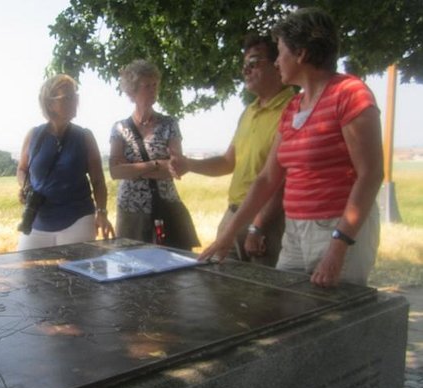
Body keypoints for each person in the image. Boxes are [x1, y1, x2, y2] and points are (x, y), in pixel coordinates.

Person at [200, 8, 383, 287]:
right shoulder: (294, 107)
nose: (276, 63)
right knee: (285, 307)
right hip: (295, 230)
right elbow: (267, 178)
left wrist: (338, 245)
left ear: (302, 54)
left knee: (333, 319)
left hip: (336, 229)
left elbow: (370, 174)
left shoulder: (349, 93)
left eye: (281, 52)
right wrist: (227, 236)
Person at [171, 35, 295, 266]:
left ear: (277, 64)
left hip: (269, 221)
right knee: (220, 288)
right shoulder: (248, 112)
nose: (246, 71)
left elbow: (283, 179)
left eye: (254, 62)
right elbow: (228, 162)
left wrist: (258, 226)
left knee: (264, 298)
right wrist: (189, 164)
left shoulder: (293, 110)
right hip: (234, 214)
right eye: (244, 65)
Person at [16, 74, 114, 249]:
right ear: (50, 103)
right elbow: (22, 169)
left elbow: (98, 180)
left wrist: (102, 213)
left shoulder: (84, 136)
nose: (75, 101)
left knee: (76, 275)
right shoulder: (33, 135)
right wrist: (26, 187)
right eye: (68, 97)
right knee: (26, 273)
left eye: (75, 96)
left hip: (78, 220)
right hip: (37, 221)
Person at [109, 59, 199, 250]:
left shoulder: (169, 124)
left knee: (173, 267)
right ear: (132, 91)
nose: (153, 90)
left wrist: (132, 169)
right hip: (131, 210)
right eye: (146, 86)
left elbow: (175, 168)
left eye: (155, 85)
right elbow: (115, 172)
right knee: (130, 267)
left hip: (165, 207)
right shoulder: (119, 128)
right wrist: (156, 164)